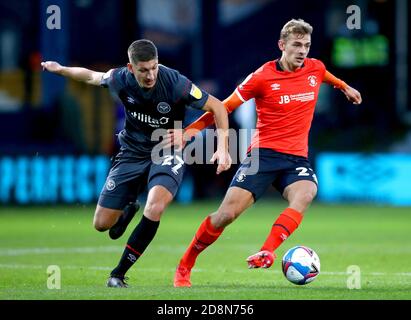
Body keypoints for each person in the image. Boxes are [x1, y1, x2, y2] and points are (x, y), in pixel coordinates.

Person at [172, 19, 362, 287]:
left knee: (306, 193)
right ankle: (185, 263)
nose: (302, 51)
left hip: (296, 158)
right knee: (225, 215)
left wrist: (344, 87)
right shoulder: (262, 77)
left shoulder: (314, 68)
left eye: (306, 45)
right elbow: (223, 107)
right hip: (262, 156)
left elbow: (325, 75)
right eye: (296, 45)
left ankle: (267, 251)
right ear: (282, 45)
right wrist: (189, 132)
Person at [41, 39, 232, 288]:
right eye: (143, 70)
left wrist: (220, 147)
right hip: (131, 151)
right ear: (131, 68)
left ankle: (118, 274)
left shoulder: (175, 83)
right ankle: (126, 209)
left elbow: (218, 106)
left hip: (166, 151)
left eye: (154, 68)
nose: (151, 75)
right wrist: (61, 69)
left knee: (154, 207)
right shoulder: (120, 78)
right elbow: (91, 76)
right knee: (102, 224)